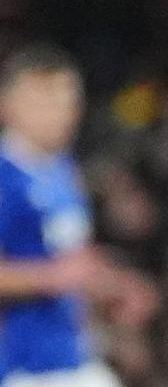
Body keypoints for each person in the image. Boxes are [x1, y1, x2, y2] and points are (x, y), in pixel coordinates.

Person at [0, 47, 142, 387]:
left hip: (72, 356)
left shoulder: (63, 172)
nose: (61, 113)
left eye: (68, 100)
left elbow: (70, 262)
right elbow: (59, 271)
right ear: (8, 104)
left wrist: (109, 285)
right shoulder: (5, 177)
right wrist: (53, 277)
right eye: (46, 99)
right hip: (23, 367)